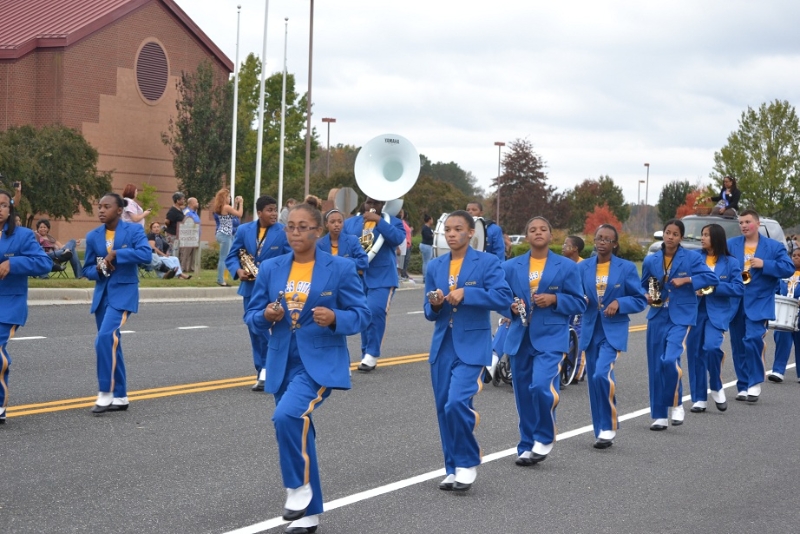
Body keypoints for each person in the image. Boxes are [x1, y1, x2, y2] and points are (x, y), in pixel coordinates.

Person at [244, 203, 370, 534]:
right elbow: (252, 315)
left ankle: (297, 489)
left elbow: (362, 314)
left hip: (320, 363)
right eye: (290, 227)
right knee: (300, 430)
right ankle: (309, 516)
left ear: (317, 231)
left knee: (287, 417)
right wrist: (265, 317)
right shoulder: (271, 268)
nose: (296, 232)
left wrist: (335, 319)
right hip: (281, 359)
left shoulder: (340, 268)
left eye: (303, 227)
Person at [424, 211, 511, 492]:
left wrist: (468, 293)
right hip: (442, 344)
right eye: (447, 229)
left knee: (456, 403)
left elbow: (503, 298)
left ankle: (468, 459)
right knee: (442, 409)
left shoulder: (488, 262)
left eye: (458, 229)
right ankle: (452, 467)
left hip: (472, 345)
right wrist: (436, 304)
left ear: (471, 232)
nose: (451, 234)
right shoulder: (435, 266)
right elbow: (429, 312)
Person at [500, 216, 586, 465]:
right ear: (526, 237)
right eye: (532, 230)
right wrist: (511, 308)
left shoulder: (567, 267)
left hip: (551, 336)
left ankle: (545, 436)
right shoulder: (510, 267)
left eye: (544, 229)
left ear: (551, 235)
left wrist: (554, 300)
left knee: (540, 387)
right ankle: (527, 444)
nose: (538, 232)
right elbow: (500, 299)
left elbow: (580, 302)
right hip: (519, 337)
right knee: (524, 395)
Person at [641, 219, 718, 431]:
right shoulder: (651, 260)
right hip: (657, 315)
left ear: (681, 237)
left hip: (682, 316)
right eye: (668, 232)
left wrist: (687, 281)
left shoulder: (691, 258)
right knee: (656, 366)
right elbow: (643, 285)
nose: (670, 237)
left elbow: (711, 278)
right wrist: (647, 295)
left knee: (669, 360)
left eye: (675, 234)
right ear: (663, 234)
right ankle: (659, 416)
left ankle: (676, 404)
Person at [578, 225, 647, 448]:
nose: (602, 242)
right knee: (594, 381)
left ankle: (609, 426)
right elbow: (575, 295)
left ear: (615, 244)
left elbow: (639, 299)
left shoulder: (625, 268)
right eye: (598, 238)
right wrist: (582, 301)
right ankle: (601, 430)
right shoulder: (584, 267)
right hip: (590, 328)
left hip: (613, 330)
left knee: (601, 374)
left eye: (607, 239)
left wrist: (620, 302)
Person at [82, 193, 151, 414]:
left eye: (107, 206)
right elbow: (87, 269)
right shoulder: (93, 236)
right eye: (99, 206)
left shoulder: (134, 230)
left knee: (104, 338)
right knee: (113, 343)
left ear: (119, 210)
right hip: (102, 296)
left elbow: (145, 254)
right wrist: (100, 269)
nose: (101, 210)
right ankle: (120, 396)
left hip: (123, 294)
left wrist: (116, 254)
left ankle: (105, 392)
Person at [727, 209, 794, 402]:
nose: (744, 226)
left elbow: (788, 268)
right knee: (738, 344)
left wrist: (765, 264)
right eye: (741, 223)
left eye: (747, 222)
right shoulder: (731, 245)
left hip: (759, 302)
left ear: (757, 224)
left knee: (753, 339)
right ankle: (743, 384)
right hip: (736, 302)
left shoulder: (773, 247)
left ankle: (754, 382)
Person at [226, 195, 291, 391]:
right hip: (251, 289)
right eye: (270, 210)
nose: (274, 214)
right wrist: (238, 271)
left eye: (275, 210)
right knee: (256, 328)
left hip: (276, 289)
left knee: (280, 329)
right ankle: (263, 369)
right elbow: (232, 256)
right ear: (259, 212)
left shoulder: (283, 231)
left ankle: (276, 367)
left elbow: (291, 258)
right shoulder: (244, 230)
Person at [0, 189, 52, 425]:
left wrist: (14, 263)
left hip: (9, 305)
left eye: (2, 205)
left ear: (10, 208)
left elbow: (44, 263)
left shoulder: (21, 235)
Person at [343, 196, 405, 372]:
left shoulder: (392, 222)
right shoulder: (352, 223)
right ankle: (365, 352)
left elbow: (397, 238)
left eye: (376, 203)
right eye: (369, 202)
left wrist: (379, 221)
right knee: (363, 313)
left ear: (382, 205)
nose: (372, 206)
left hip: (383, 276)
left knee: (375, 310)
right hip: (357, 277)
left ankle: (371, 353)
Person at [685, 224, 743, 412]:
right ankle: (699, 398)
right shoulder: (694, 257)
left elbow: (738, 288)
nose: (702, 238)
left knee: (711, 348)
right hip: (695, 312)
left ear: (717, 238)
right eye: (702, 234)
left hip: (717, 313)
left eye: (706, 235)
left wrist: (713, 289)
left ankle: (716, 384)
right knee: (695, 353)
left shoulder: (731, 262)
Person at [767, 248, 800, 383]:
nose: (796, 257)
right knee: (782, 338)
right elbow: (774, 290)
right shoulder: (784, 274)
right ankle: (778, 371)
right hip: (784, 313)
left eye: (799, 255)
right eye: (794, 255)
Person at [213, 188, 243, 287]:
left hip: (223, 233)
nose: (230, 198)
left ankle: (224, 277)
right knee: (223, 258)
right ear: (224, 198)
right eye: (228, 196)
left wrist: (235, 203)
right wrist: (241, 203)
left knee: (228, 256)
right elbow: (239, 214)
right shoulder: (226, 207)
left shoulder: (222, 207)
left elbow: (232, 213)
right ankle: (220, 279)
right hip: (225, 235)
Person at [179, 197, 201, 273]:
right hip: (188, 236)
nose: (198, 203)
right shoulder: (186, 212)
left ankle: (190, 268)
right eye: (196, 202)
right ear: (191, 203)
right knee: (186, 252)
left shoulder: (195, 213)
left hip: (195, 236)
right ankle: (183, 268)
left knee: (193, 253)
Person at [164, 192, 186, 256]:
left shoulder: (180, 210)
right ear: (177, 200)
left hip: (178, 234)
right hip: (172, 235)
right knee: (171, 250)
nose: (184, 200)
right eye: (182, 199)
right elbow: (167, 221)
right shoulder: (172, 211)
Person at [396, 209, 409, 281]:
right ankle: (396, 277)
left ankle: (399, 276)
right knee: (398, 263)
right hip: (400, 247)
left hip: (403, 246)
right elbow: (395, 236)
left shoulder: (401, 222)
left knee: (401, 263)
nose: (402, 215)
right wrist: (397, 247)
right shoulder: (397, 223)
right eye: (401, 213)